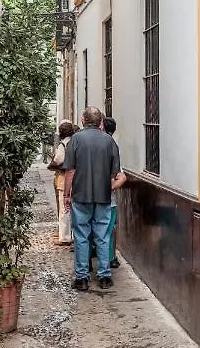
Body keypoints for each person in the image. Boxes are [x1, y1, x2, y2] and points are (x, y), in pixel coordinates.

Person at [63, 107, 124, 290]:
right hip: (103, 197)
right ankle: (104, 276)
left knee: (81, 237)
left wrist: (66, 194)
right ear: (101, 122)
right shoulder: (109, 141)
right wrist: (109, 187)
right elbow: (115, 173)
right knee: (103, 236)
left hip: (80, 196)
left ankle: (82, 278)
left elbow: (70, 171)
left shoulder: (75, 140)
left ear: (83, 120)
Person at [103, 116, 125, 268]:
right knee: (109, 231)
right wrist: (111, 187)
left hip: (94, 199)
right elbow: (122, 176)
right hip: (109, 200)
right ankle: (110, 258)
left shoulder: (108, 145)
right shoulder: (113, 145)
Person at [48, 120, 75, 245]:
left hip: (64, 179)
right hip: (77, 180)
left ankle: (64, 237)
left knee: (64, 209)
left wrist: (52, 164)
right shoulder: (75, 142)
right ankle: (73, 235)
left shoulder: (62, 145)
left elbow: (58, 160)